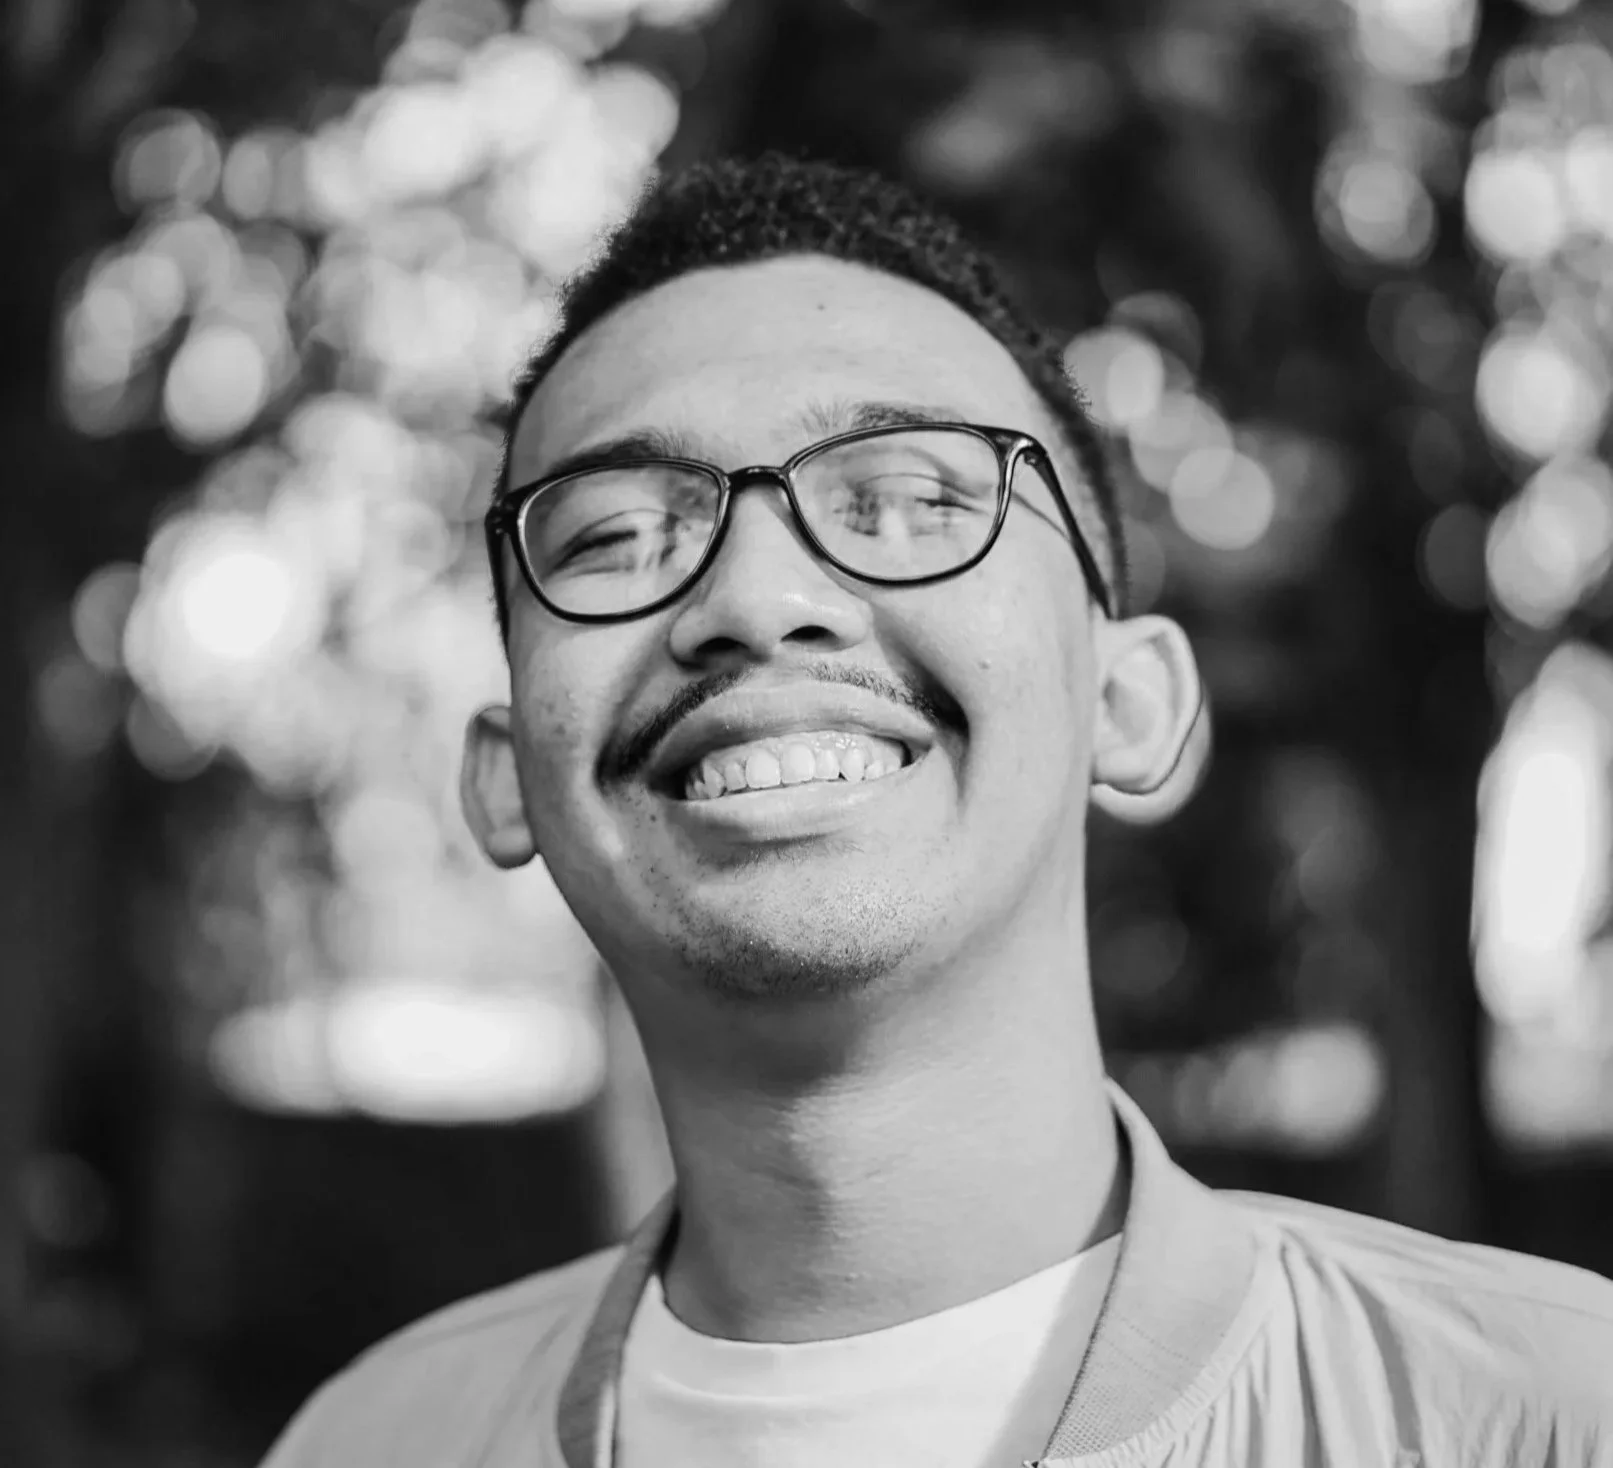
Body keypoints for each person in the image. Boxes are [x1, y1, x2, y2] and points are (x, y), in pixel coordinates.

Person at [260, 153, 1613, 1468]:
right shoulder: (365, 1442)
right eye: (617, 536)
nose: (753, 600)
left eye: (907, 498)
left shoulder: (1547, 1417)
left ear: (1129, 704)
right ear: (506, 776)